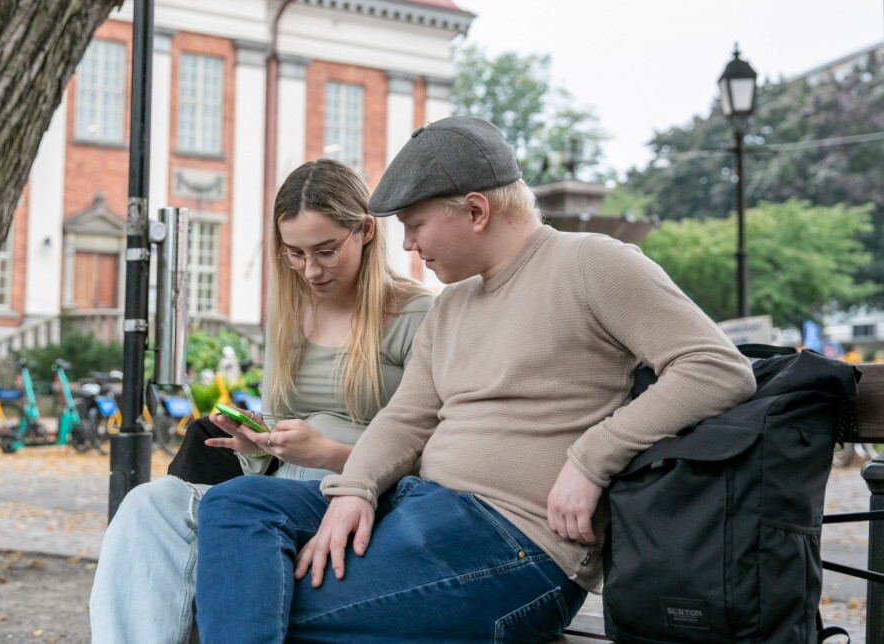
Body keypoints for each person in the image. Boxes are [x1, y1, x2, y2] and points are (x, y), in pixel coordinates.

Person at [193, 116, 758, 643]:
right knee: (236, 505)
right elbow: (407, 417)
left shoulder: (591, 263)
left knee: (276, 606)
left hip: (516, 546)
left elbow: (715, 368)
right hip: (422, 508)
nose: (408, 246)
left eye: (415, 226)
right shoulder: (453, 304)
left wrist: (592, 458)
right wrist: (356, 488)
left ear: (476, 210)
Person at [88, 158, 434, 643]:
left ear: (366, 232)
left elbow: (436, 453)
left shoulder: (417, 316)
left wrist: (330, 454)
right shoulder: (291, 314)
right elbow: (279, 426)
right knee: (147, 504)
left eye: (326, 251)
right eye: (294, 253)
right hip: (270, 493)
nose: (310, 270)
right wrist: (257, 445)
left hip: (359, 498)